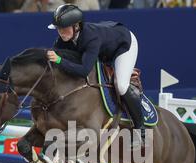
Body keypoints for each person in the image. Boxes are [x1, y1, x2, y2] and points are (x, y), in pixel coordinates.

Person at [46, 4, 146, 148]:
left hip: (123, 45)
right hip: (104, 45)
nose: (61, 32)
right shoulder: (63, 40)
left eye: (64, 28)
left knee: (122, 86)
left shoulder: (90, 38)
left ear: (76, 26)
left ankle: (140, 131)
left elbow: (84, 71)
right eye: (58, 29)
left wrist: (60, 60)